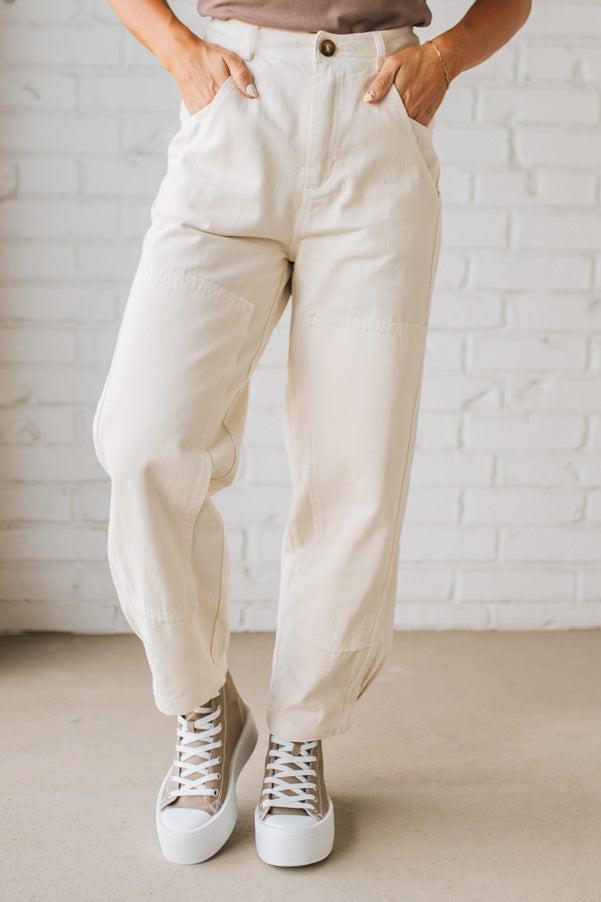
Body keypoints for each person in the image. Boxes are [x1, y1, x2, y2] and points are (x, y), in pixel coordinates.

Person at [93, 0, 531, 868]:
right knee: (143, 439)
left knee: (353, 464)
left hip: (376, 118)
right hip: (237, 110)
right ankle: (203, 707)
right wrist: (178, 49)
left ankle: (301, 731)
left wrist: (443, 58)